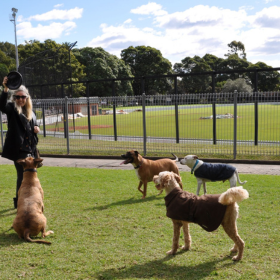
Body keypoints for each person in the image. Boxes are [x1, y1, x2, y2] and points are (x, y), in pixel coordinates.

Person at [0, 76, 40, 209]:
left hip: (30, 150)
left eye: (23, 97)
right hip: (19, 150)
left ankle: (30, 200)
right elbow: (2, 106)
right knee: (22, 176)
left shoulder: (31, 112)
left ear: (27, 97)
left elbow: (34, 128)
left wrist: (36, 129)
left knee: (31, 176)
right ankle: (20, 202)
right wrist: (5, 89)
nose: (20, 99)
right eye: (17, 97)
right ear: (14, 98)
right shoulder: (12, 109)